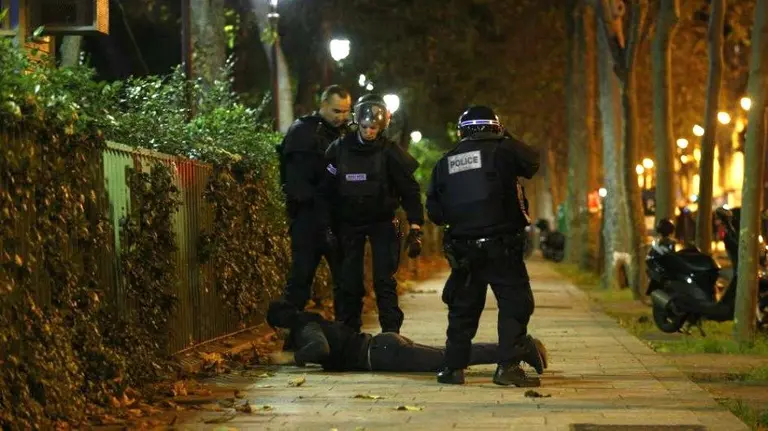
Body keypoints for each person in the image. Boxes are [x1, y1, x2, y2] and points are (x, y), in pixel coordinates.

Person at [426, 106, 544, 387]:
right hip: (502, 246)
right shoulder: (504, 151)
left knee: (462, 309)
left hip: (464, 250)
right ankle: (508, 368)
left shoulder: (446, 161)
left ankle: (452, 369)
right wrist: (507, 137)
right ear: (495, 127)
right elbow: (532, 163)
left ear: (461, 131)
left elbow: (435, 212)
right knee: (515, 304)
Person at [322, 94, 424, 334]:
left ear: (382, 126)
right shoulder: (340, 149)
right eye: (366, 127)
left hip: (384, 222)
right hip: (348, 222)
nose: (369, 132)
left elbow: (409, 190)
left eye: (374, 128)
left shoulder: (390, 152)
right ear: (358, 122)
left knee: (384, 280)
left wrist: (416, 224)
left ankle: (391, 333)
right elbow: (326, 188)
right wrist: (326, 224)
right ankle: (348, 332)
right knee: (350, 281)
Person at [265, 300, 548, 373]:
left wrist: (293, 358)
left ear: (281, 325)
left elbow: (320, 348)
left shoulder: (305, 329)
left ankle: (520, 348)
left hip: (383, 353)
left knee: (451, 357)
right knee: (450, 355)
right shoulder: (309, 321)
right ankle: (515, 348)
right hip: (384, 346)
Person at [276, 85, 351, 313]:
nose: (341, 117)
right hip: (308, 217)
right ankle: (292, 331)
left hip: (338, 218)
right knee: (300, 280)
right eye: (336, 111)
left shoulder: (346, 134)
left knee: (346, 282)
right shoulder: (302, 131)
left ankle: (346, 333)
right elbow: (297, 180)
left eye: (345, 111)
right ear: (323, 105)